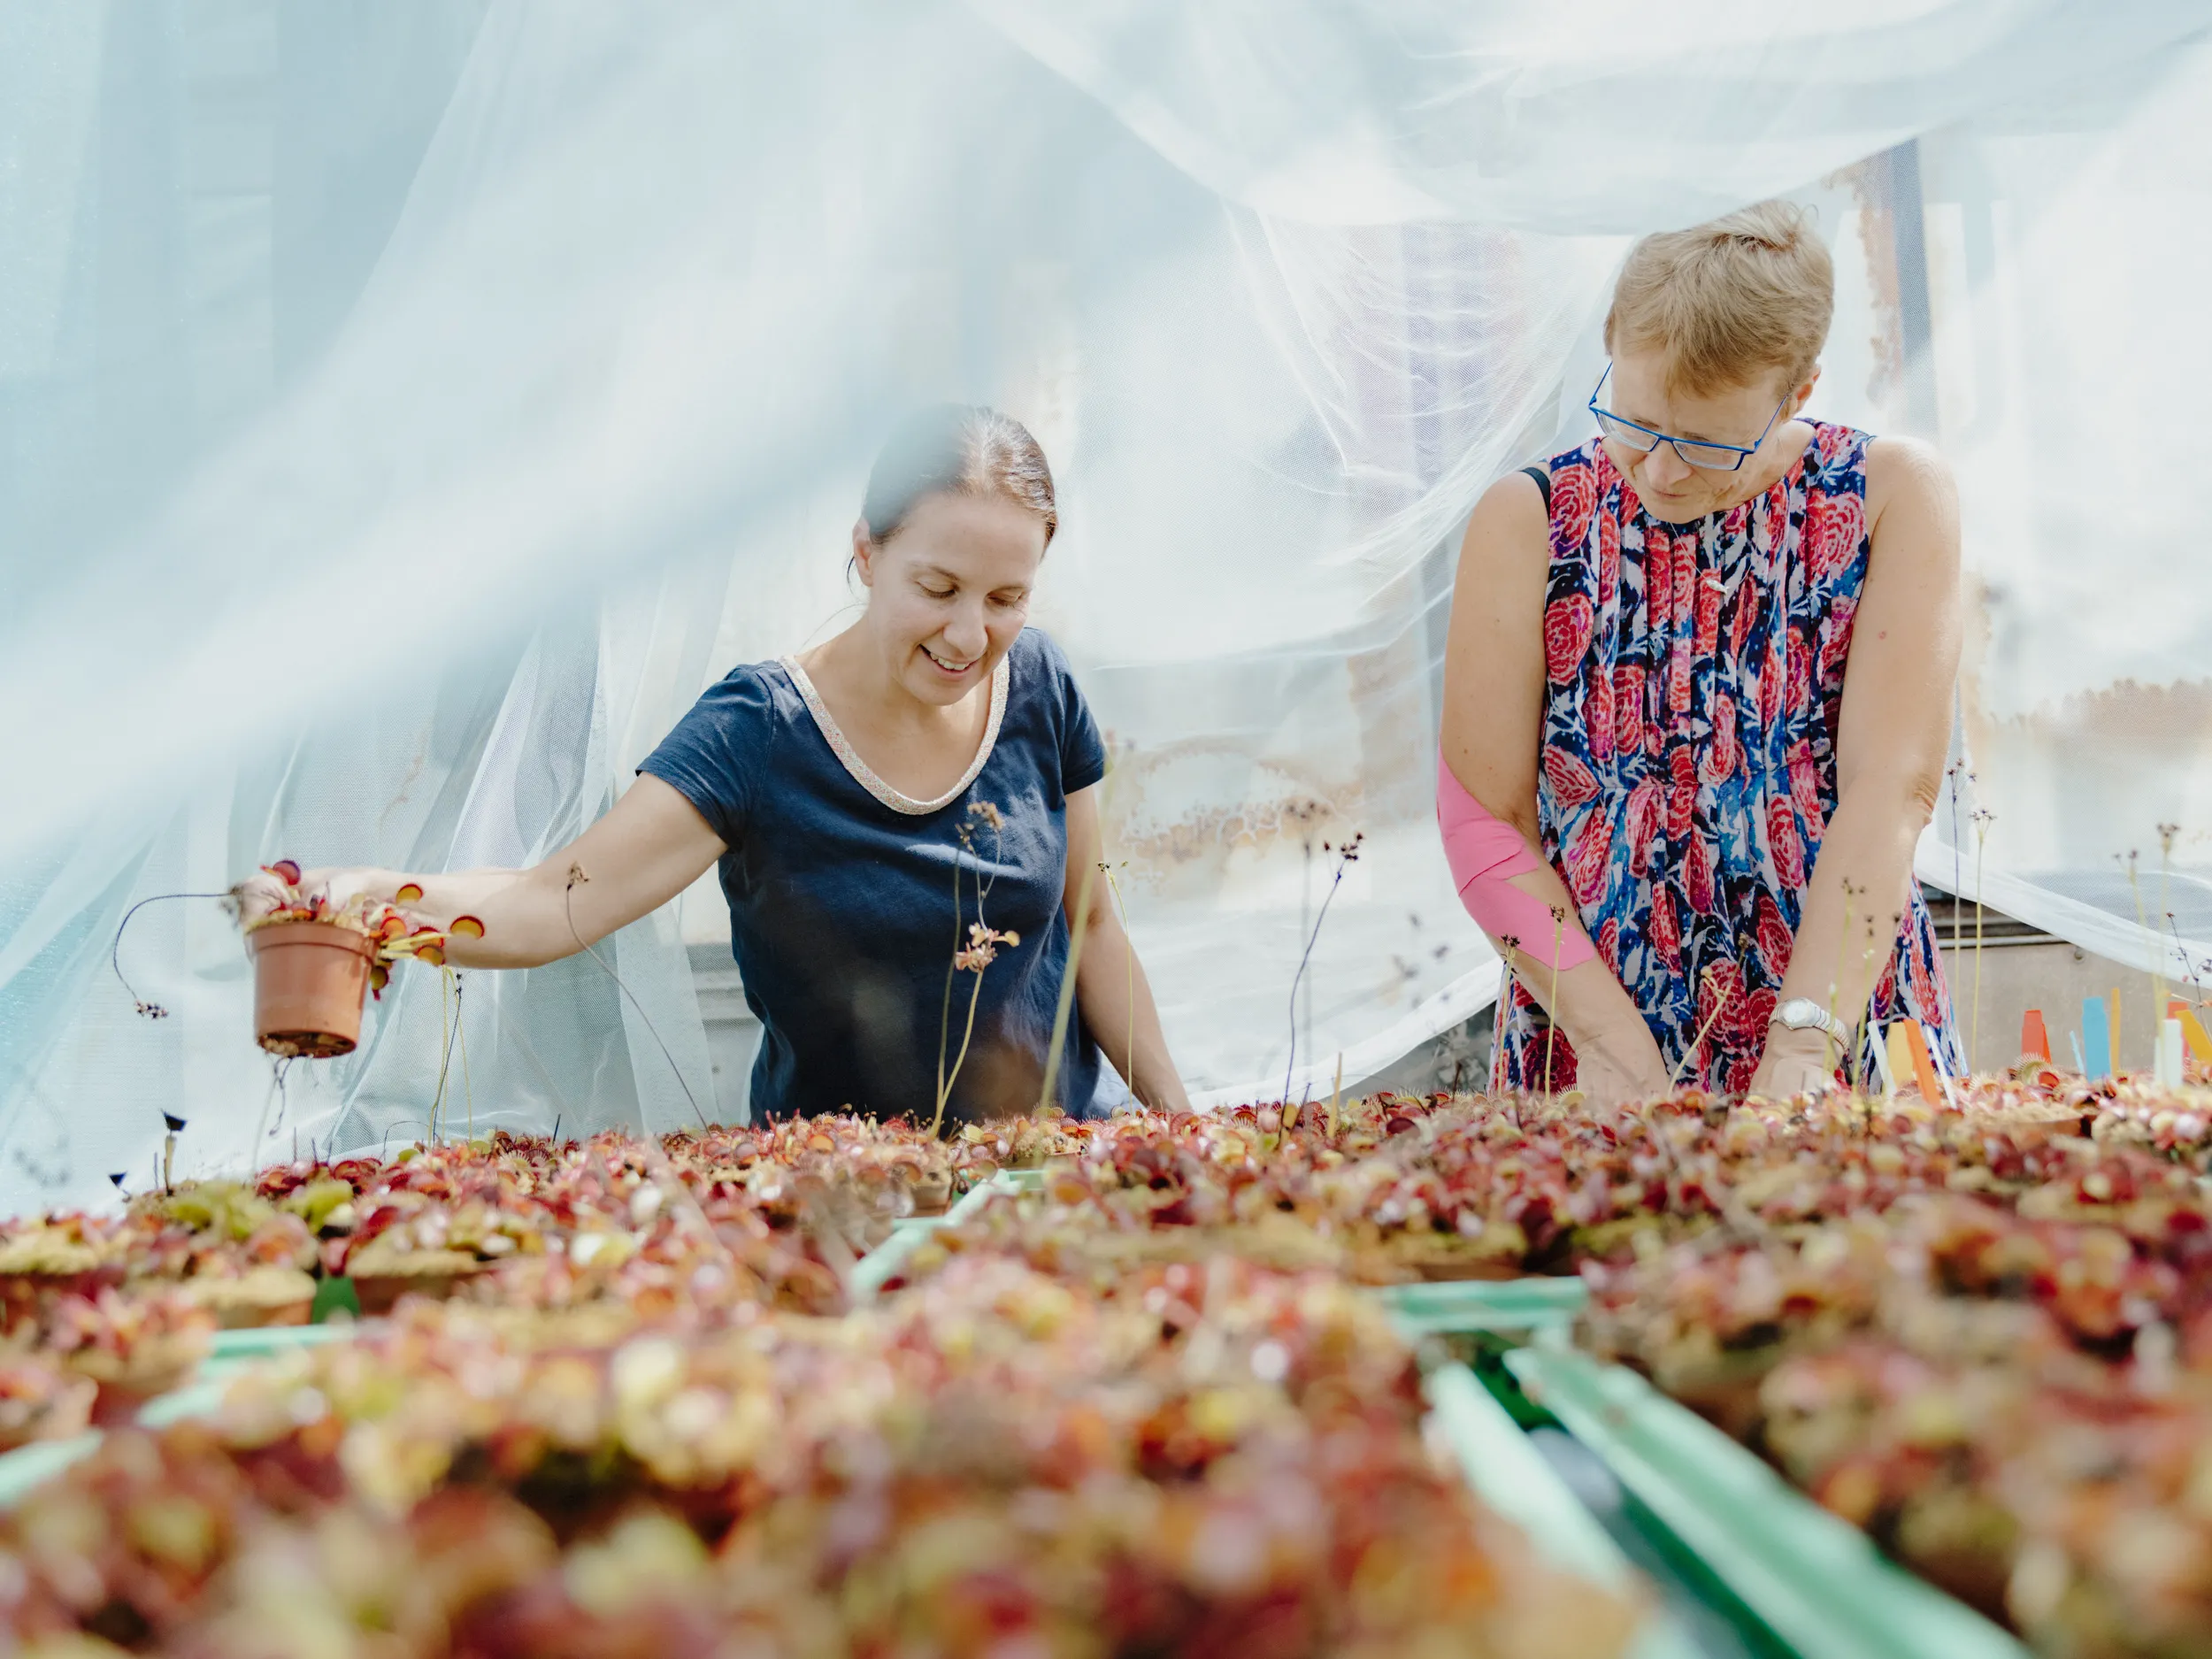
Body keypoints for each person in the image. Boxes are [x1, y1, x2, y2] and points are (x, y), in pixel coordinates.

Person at [258, 404, 1188, 1125]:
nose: (967, 633)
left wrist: (1181, 1131)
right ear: (866, 554)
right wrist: (363, 899)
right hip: (839, 1198)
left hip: (1044, 1169)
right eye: (937, 589)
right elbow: (551, 904)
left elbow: (1093, 923)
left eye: (1005, 598)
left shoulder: (1043, 684)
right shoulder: (760, 729)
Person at [1439, 202, 1962, 1110]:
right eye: (1635, 423)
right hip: (1592, 1025)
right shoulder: (1526, 520)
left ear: (1798, 393)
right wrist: (1613, 1050)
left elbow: (1892, 792)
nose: (1662, 472)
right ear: (1610, 345)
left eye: (1710, 442)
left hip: (1834, 1009)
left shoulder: (1893, 499)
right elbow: (1484, 817)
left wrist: (1803, 1046)